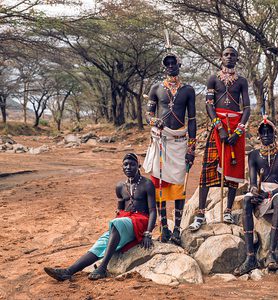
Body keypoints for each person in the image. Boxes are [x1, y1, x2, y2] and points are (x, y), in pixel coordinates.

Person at [44, 153, 157, 281]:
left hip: (140, 221)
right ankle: (68, 271)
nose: (128, 167)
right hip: (123, 222)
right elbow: (119, 210)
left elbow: (153, 210)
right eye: (125, 164)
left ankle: (102, 268)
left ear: (139, 166)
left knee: (116, 224)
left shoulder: (147, 184)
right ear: (122, 167)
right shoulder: (120, 186)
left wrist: (148, 233)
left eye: (132, 164)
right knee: (100, 243)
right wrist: (112, 231)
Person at [189, 46, 250, 231]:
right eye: (226, 54)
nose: (229, 57)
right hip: (218, 127)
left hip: (235, 128)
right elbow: (209, 106)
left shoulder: (242, 81)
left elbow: (246, 108)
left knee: (232, 167)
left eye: (233, 55)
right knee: (208, 168)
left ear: (237, 59)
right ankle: (200, 214)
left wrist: (238, 132)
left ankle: (228, 211)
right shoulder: (213, 79)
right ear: (220, 57)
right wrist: (219, 127)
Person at [143, 52, 196, 245]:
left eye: (174, 63)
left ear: (179, 65)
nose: (171, 66)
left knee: (179, 186)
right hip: (161, 140)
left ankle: (177, 229)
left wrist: (192, 147)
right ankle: (164, 228)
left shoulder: (188, 90)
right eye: (168, 64)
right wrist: (153, 120)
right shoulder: (156, 88)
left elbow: (192, 120)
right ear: (164, 67)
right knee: (160, 186)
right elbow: (148, 115)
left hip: (180, 142)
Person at [233, 117, 278, 275]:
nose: (266, 134)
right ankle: (250, 257)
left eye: (269, 131)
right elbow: (253, 183)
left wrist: (268, 194)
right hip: (262, 191)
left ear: (275, 134)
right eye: (262, 132)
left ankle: (271, 254)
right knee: (246, 200)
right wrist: (255, 191)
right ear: (259, 135)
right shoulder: (253, 155)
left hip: (277, 191)